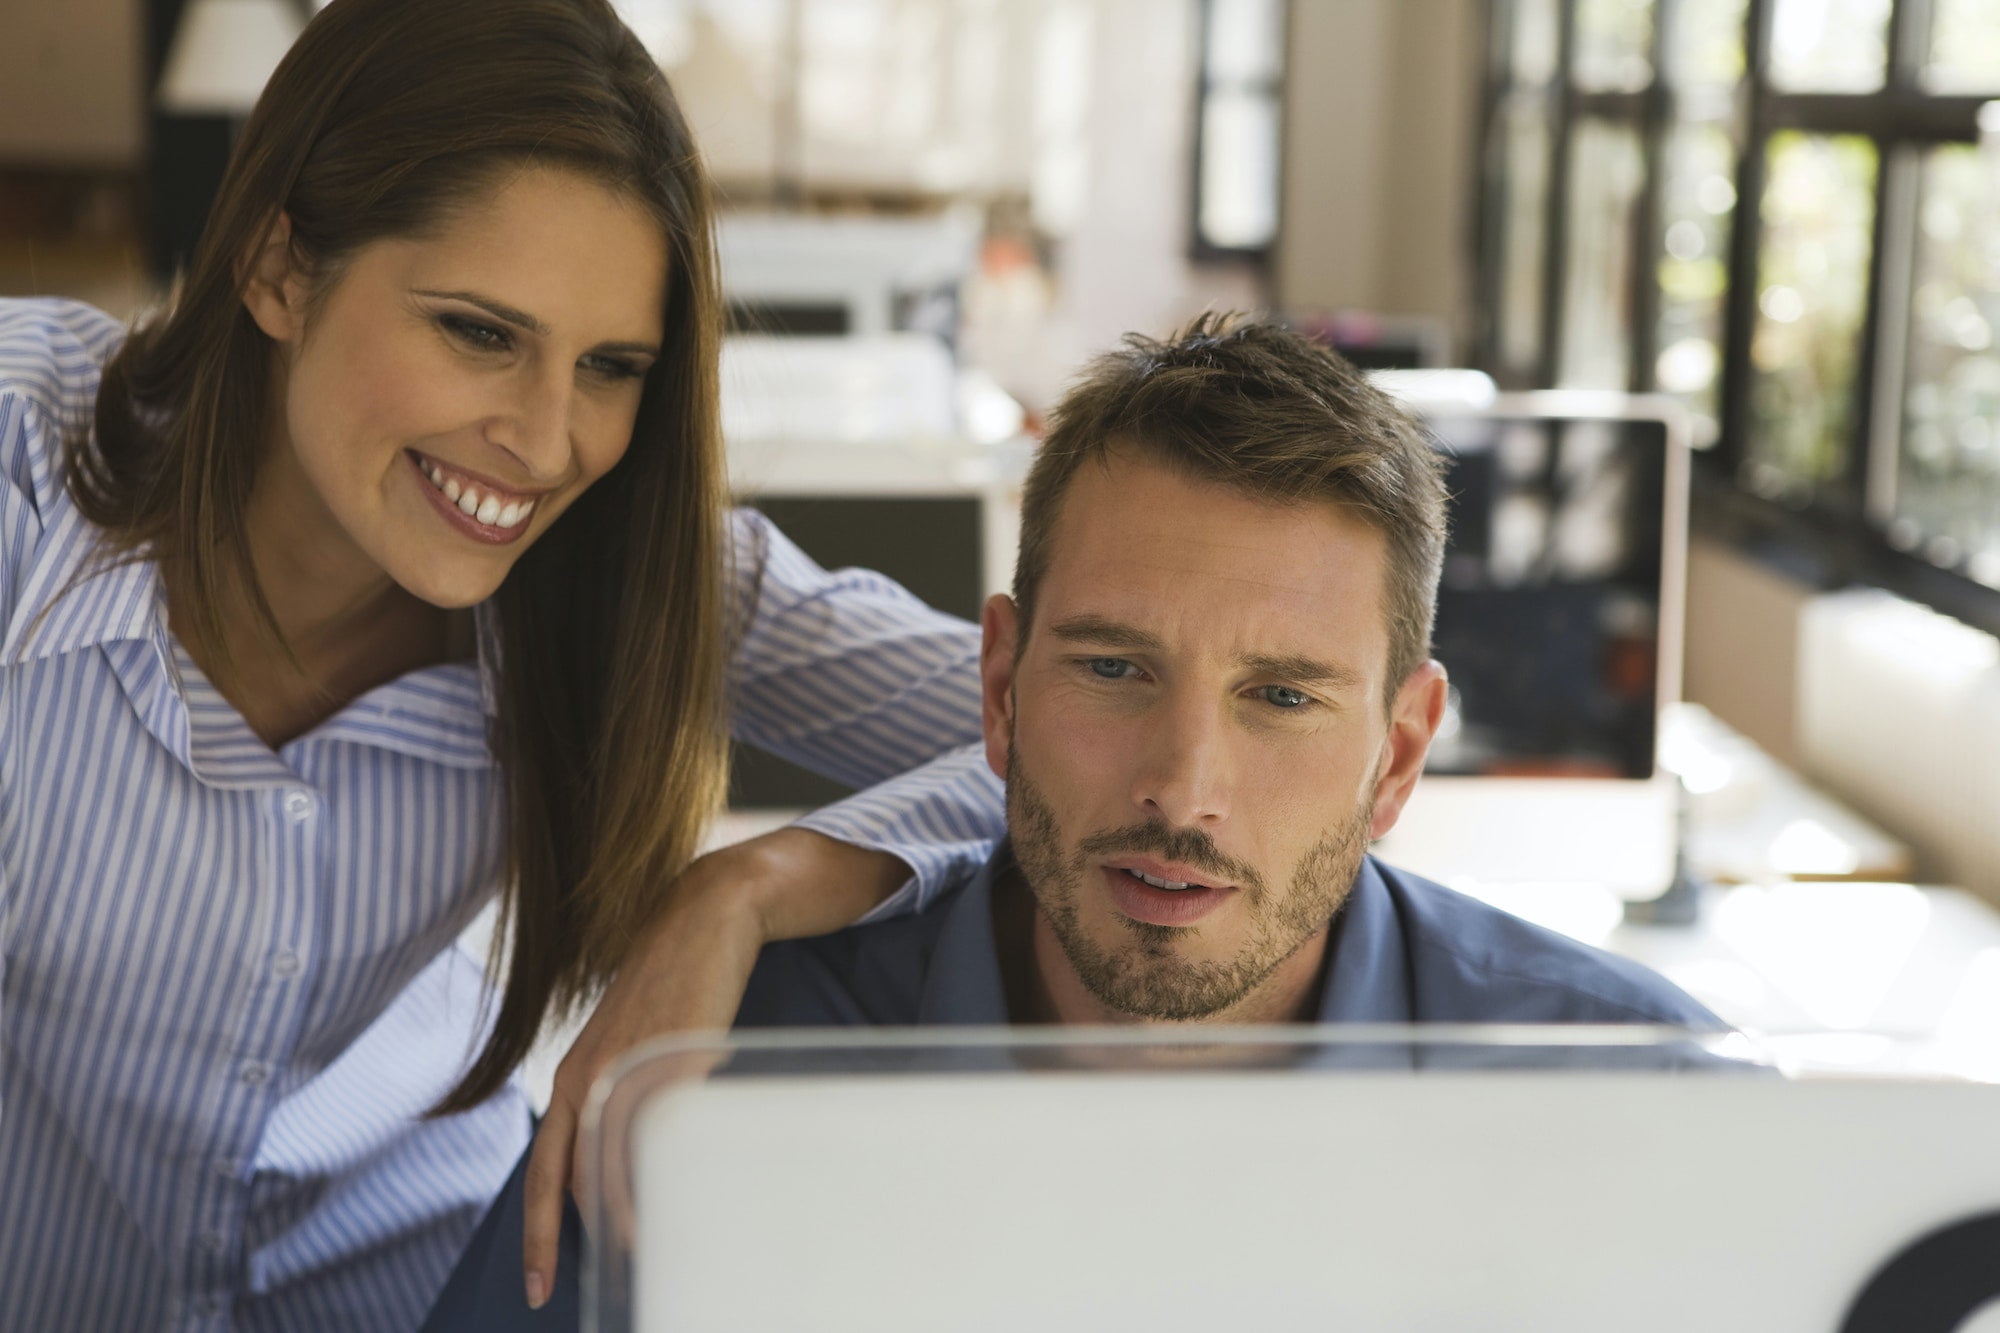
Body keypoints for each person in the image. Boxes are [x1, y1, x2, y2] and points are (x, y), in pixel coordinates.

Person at [0, 0, 1005, 1327]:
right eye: (480, 330)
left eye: (610, 365)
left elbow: (1092, 740)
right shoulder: (24, 461)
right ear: (278, 269)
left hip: (449, 1286)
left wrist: (752, 883)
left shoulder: (637, 563)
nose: (543, 441)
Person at [423, 315, 1723, 1331]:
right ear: (998, 687)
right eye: (1113, 668)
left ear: (1396, 755)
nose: (1181, 787)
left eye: (1279, 696)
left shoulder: (1654, 1107)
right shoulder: (715, 1078)